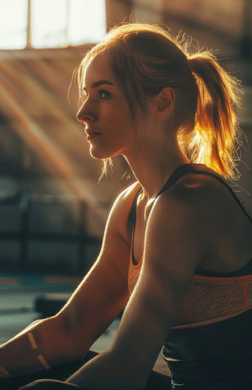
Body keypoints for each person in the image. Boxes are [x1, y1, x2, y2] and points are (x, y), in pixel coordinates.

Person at [0, 23, 251, 390]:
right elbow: (70, 331)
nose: (83, 112)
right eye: (87, 94)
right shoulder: (131, 205)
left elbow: (128, 367)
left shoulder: (186, 203)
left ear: (162, 103)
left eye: (103, 94)